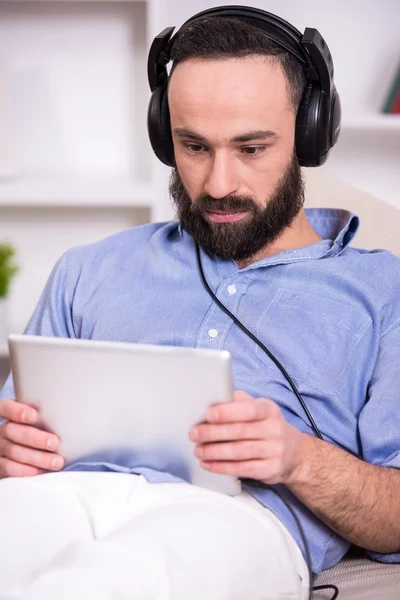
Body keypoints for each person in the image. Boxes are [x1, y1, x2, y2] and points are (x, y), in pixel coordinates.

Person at [1, 6, 400, 600]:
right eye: (193, 146)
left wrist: (297, 459)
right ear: (165, 136)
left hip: (238, 519)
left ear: (310, 135)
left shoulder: (382, 292)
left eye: (252, 148)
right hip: (60, 496)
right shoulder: (87, 268)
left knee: (111, 584)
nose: (218, 184)